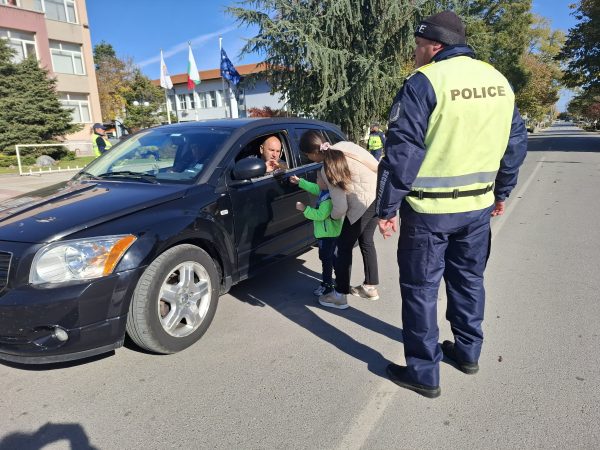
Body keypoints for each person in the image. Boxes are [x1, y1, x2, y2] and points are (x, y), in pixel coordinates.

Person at [376, 11, 527, 398]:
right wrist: (503, 192)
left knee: (421, 290)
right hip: (477, 208)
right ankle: (467, 351)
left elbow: (402, 152)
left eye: (418, 46)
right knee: (469, 281)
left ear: (435, 46)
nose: (414, 54)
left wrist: (387, 208)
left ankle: (424, 374)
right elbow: (514, 145)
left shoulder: (424, 82)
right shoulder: (497, 81)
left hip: (428, 213)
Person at [299, 130, 380, 310]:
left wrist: (332, 217)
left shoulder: (329, 167)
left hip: (362, 204)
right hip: (378, 195)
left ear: (312, 153)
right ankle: (370, 287)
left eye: (307, 155)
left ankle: (340, 295)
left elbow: (340, 208)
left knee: (342, 248)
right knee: (366, 241)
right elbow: (374, 163)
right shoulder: (343, 146)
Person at [290, 172, 343, 299]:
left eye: (319, 178)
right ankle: (338, 282)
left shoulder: (328, 200)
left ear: (326, 182)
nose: (316, 179)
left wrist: (304, 209)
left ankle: (327, 286)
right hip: (329, 234)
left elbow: (320, 215)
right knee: (332, 259)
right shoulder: (327, 191)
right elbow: (314, 187)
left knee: (327, 260)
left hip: (327, 236)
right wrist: (300, 182)